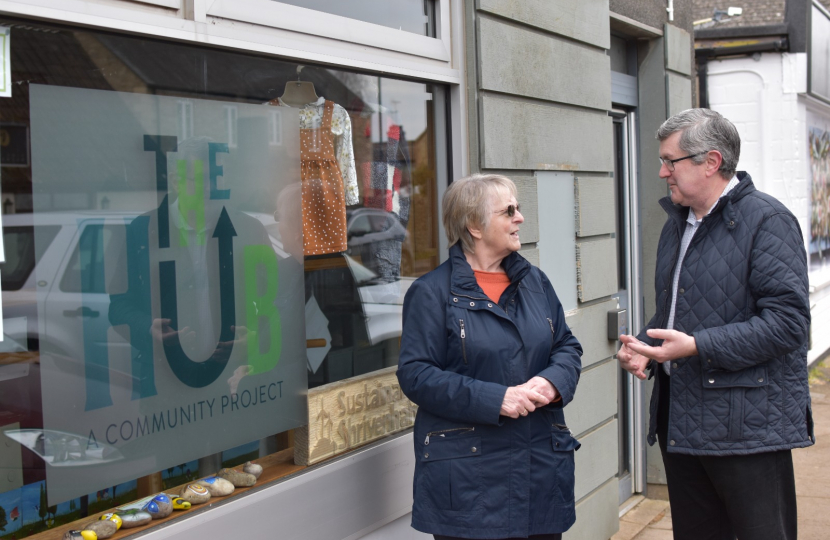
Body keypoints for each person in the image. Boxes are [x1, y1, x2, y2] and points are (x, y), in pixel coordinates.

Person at [617, 108, 814, 540]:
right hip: (682, 421)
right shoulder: (677, 223)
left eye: (671, 161)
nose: (662, 172)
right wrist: (648, 351)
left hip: (748, 427)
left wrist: (695, 346)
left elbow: (788, 324)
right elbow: (681, 311)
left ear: (710, 162)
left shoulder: (768, 221)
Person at [397, 174, 583, 540]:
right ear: (474, 226)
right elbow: (416, 374)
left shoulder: (535, 283)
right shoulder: (431, 293)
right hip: (471, 486)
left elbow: (566, 346)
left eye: (518, 208)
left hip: (540, 474)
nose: (520, 218)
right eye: (508, 211)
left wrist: (552, 381)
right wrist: (496, 399)